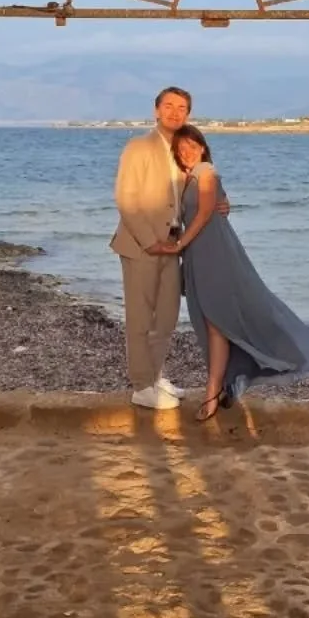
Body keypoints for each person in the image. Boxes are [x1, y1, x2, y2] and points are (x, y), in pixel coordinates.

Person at [149, 123, 309, 421]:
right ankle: (227, 383)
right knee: (213, 323)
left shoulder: (206, 171)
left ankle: (215, 391)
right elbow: (210, 206)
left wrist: (177, 245)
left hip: (216, 255)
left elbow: (207, 212)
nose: (186, 153)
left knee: (219, 322)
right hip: (200, 255)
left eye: (192, 147)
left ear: (203, 147)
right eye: (181, 149)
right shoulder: (189, 178)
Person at [111, 86, 227, 411]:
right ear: (156, 110)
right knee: (139, 317)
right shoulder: (138, 147)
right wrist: (150, 242)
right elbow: (126, 198)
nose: (175, 113)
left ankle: (156, 375)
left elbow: (201, 187)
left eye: (182, 108)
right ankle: (141, 386)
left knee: (166, 317)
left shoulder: (183, 151)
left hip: (174, 245)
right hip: (141, 246)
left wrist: (222, 202)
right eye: (169, 106)